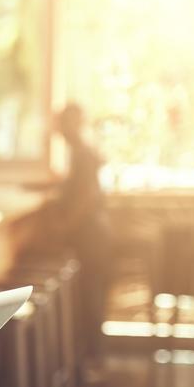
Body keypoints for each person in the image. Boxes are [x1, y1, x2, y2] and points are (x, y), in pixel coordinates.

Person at [52, 102, 112, 360]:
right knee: (90, 294)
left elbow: (86, 197)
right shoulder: (81, 152)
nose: (61, 128)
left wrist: (65, 227)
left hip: (92, 236)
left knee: (90, 297)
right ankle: (90, 358)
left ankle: (92, 359)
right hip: (94, 234)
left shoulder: (82, 153)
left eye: (65, 122)